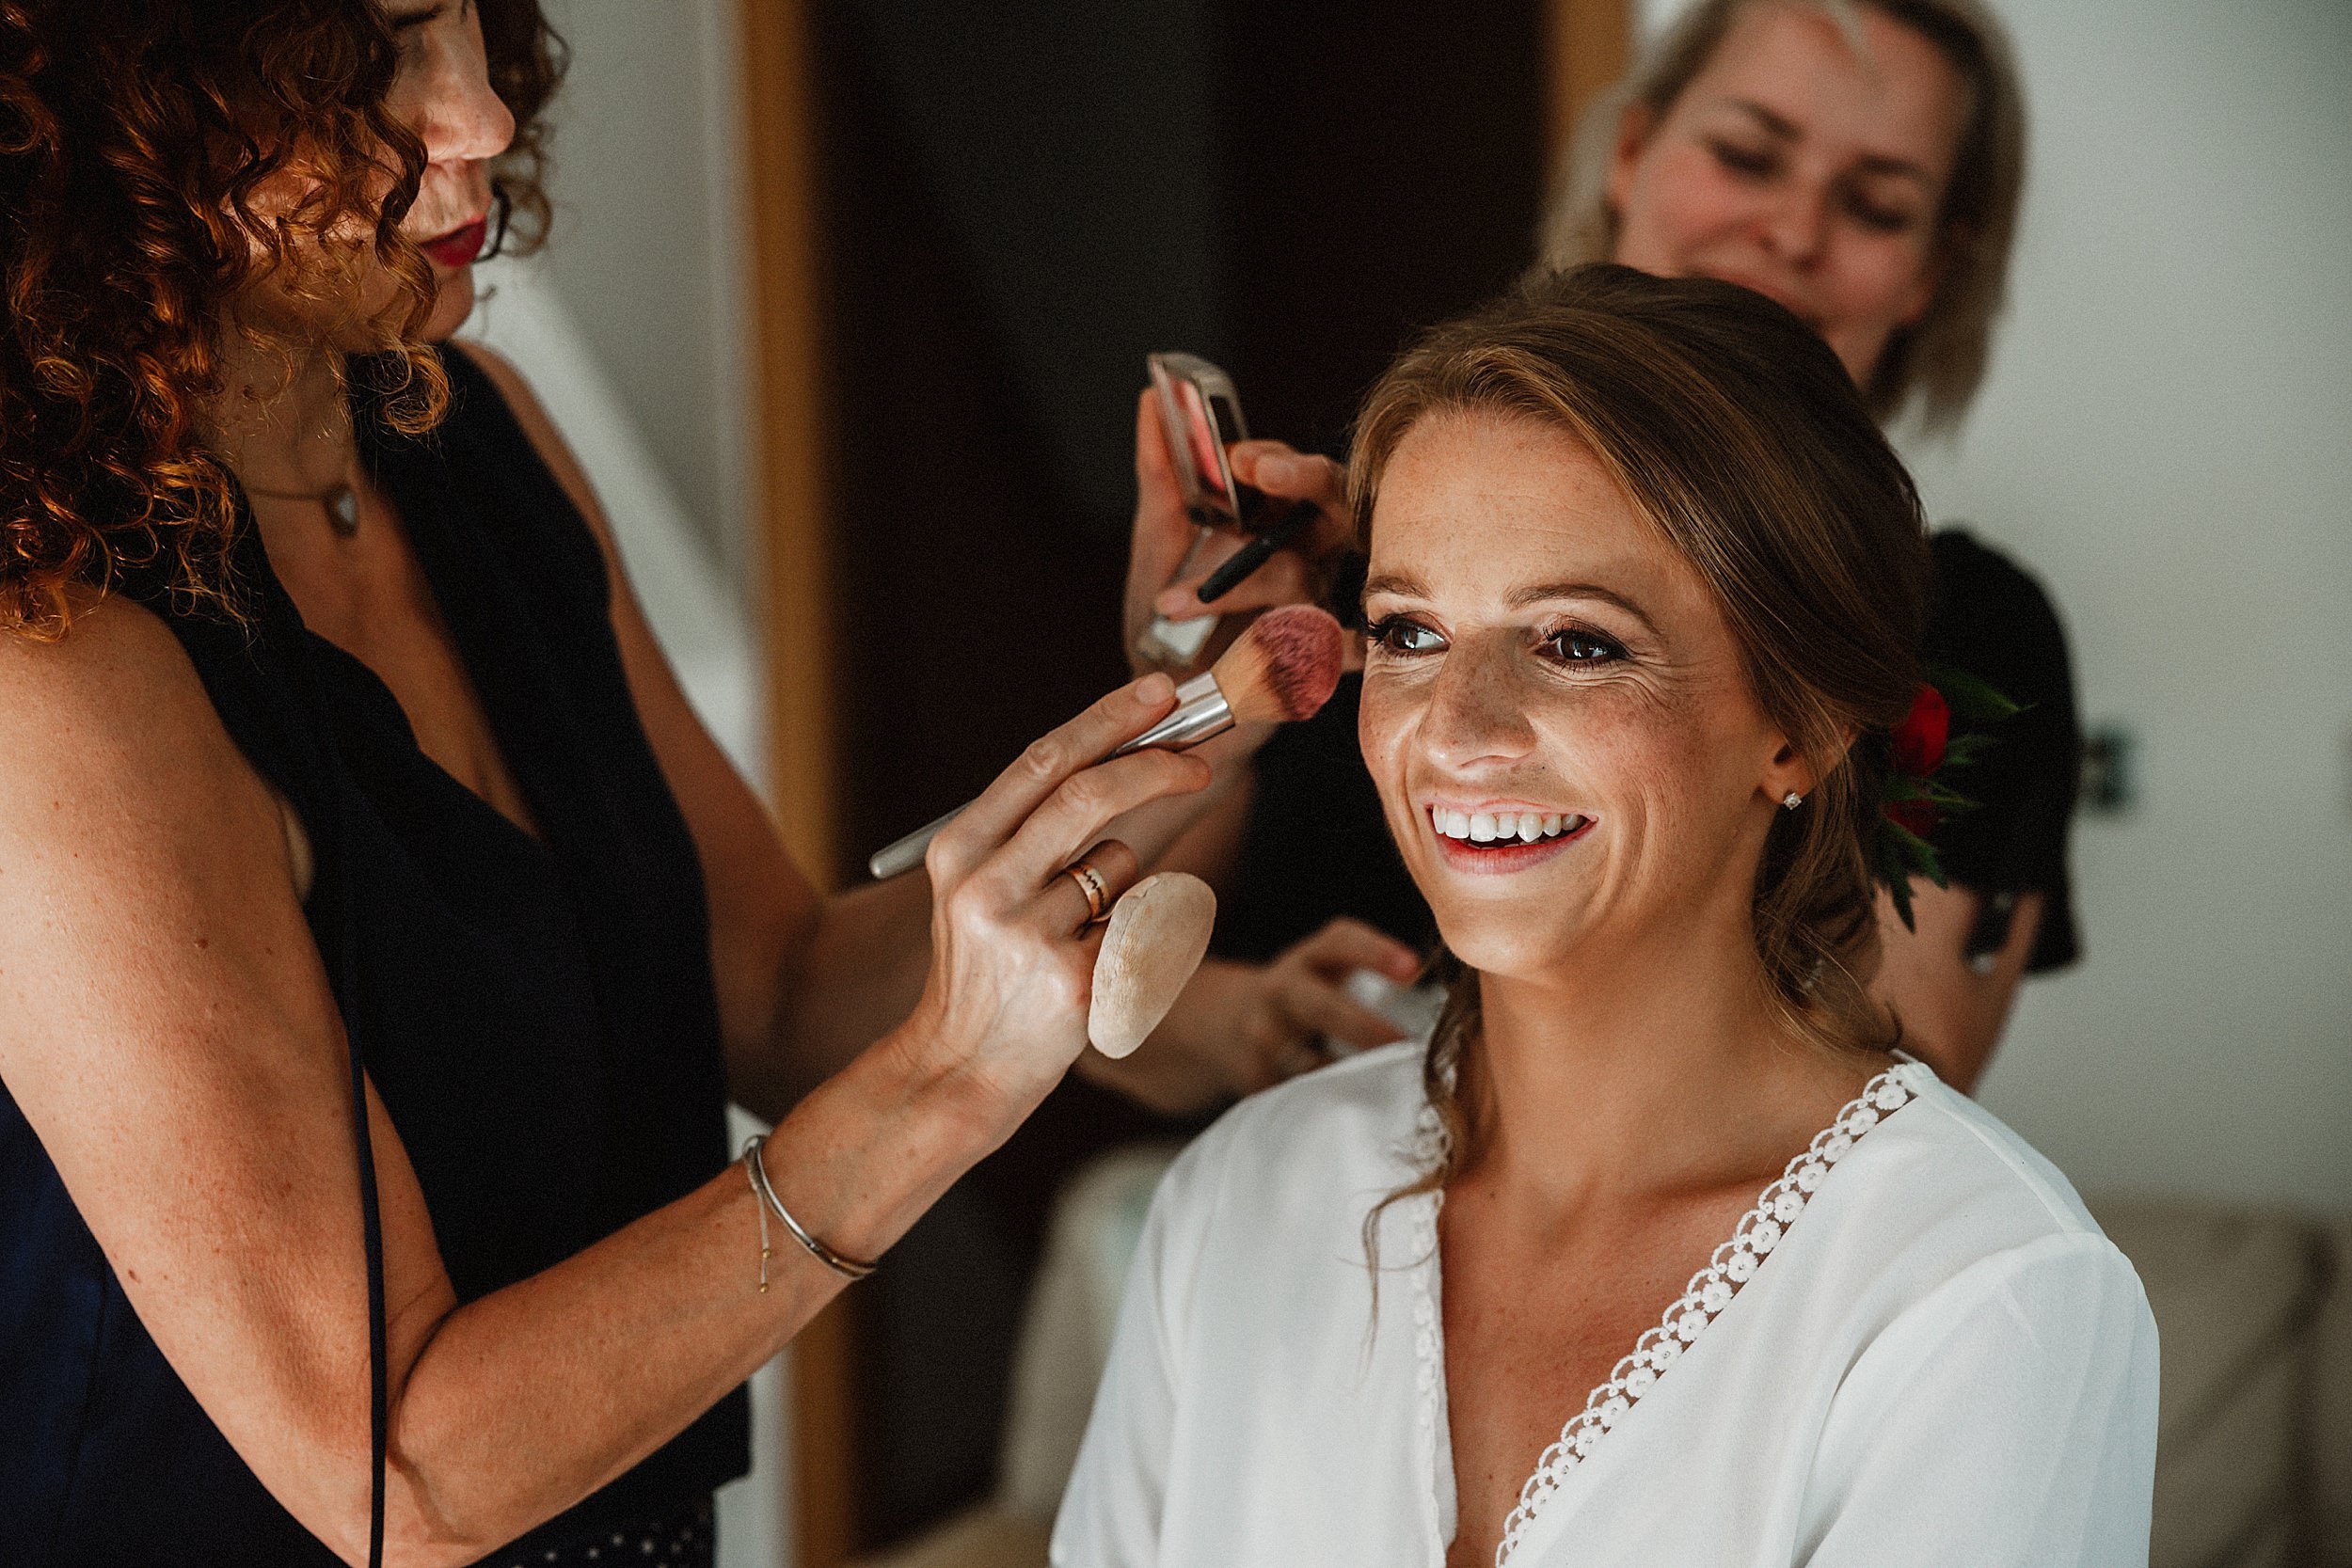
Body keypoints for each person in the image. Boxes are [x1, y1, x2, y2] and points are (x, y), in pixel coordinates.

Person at [0, 5, 1231, 1565]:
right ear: (116, 111)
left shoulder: (469, 449)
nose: (484, 119)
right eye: (376, 54)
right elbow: (405, 1469)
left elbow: (779, 992)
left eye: (469, 25)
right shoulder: (56, 667)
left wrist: (1203, 681)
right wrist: (946, 1088)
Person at [1055, 264, 2155, 1568]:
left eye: (1578, 641)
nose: (1454, 732)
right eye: (1407, 630)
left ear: (1797, 728)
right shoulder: (1242, 1200)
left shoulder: (1978, 1290)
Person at [1105, 0, 2080, 1102]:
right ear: (1630, 151)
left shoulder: (1968, 628)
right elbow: (1088, 990)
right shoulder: (1347, 536)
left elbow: (1910, 1069)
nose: (1792, 231)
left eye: (1873, 205)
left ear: (1931, 273)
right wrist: (1187, 672)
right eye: (1746, 155)